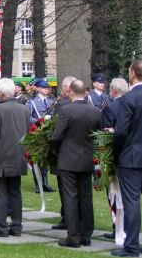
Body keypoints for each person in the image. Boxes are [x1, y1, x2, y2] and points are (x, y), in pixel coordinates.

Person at [50, 80, 101, 248]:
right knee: (86, 197)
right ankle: (86, 235)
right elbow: (97, 135)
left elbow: (57, 136)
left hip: (68, 158)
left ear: (71, 91)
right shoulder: (95, 111)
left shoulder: (66, 110)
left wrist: (58, 150)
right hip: (86, 157)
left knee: (70, 197)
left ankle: (73, 237)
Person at [0, 78, 30, 237]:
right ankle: (16, 227)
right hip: (18, 156)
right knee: (15, 193)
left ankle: (1, 227)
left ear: (1, 94)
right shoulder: (24, 109)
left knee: (0, 193)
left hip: (0, 157)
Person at [111, 60, 142, 257]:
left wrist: (115, 153)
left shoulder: (129, 98)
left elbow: (121, 132)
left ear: (132, 73)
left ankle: (131, 245)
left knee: (131, 201)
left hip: (131, 156)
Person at [101, 78, 129, 241]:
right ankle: (127, 228)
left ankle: (117, 228)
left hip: (114, 156)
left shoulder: (111, 108)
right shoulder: (133, 104)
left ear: (113, 91)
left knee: (114, 194)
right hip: (132, 156)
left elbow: (105, 136)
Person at [50, 75, 77, 230]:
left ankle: (67, 217)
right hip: (82, 155)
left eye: (62, 86)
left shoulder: (61, 105)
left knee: (65, 188)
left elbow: (56, 130)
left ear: (67, 88)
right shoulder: (89, 104)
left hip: (64, 153)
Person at [26, 78, 56, 193]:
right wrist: (39, 120)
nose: (46, 89)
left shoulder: (51, 101)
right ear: (37, 88)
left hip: (47, 133)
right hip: (36, 132)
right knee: (36, 158)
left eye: (47, 87)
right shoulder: (31, 101)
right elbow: (28, 117)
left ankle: (45, 182)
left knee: (45, 158)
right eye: (44, 87)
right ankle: (38, 184)